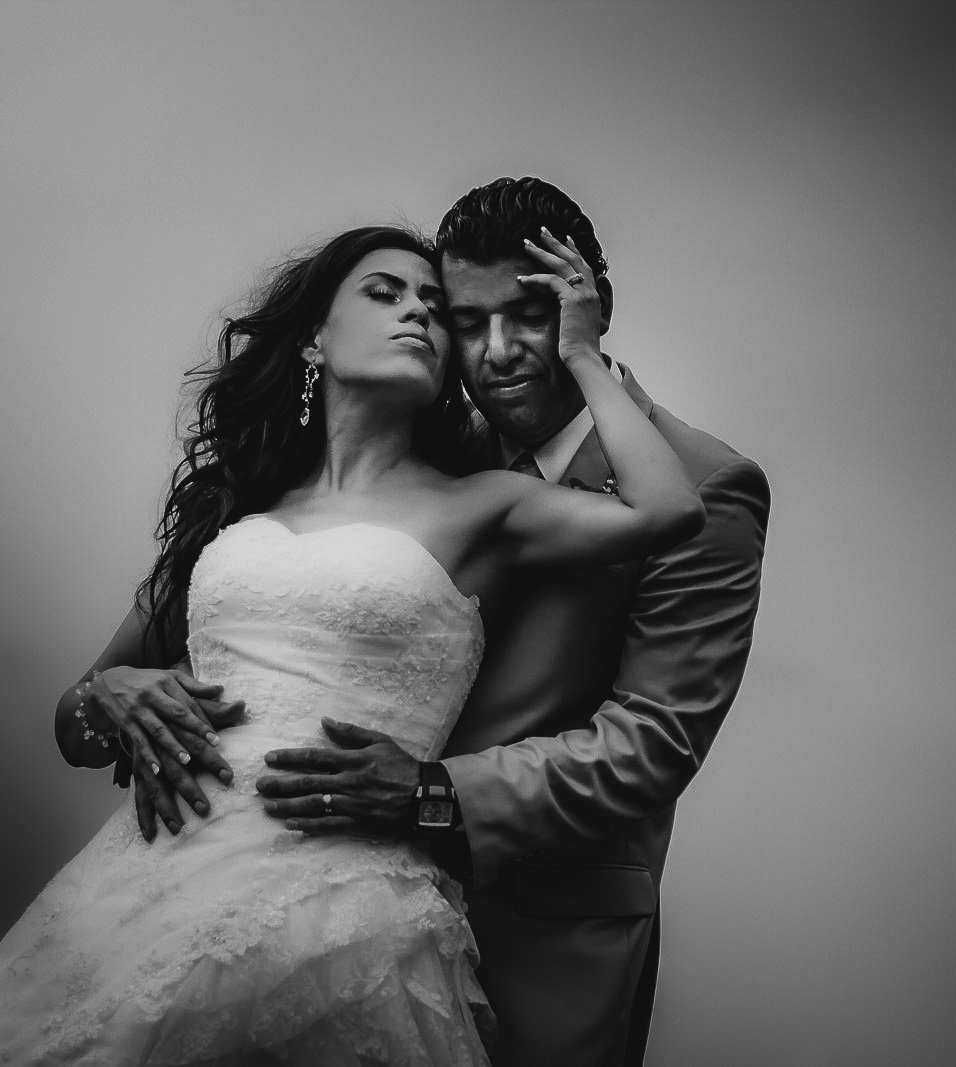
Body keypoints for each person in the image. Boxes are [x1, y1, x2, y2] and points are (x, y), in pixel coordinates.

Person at [0, 223, 703, 1064]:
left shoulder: (481, 503)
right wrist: (108, 694)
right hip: (147, 885)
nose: (419, 313)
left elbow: (668, 511)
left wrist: (584, 352)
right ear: (313, 341)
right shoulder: (230, 512)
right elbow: (73, 727)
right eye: (385, 292)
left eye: (435, 308)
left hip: (343, 911)